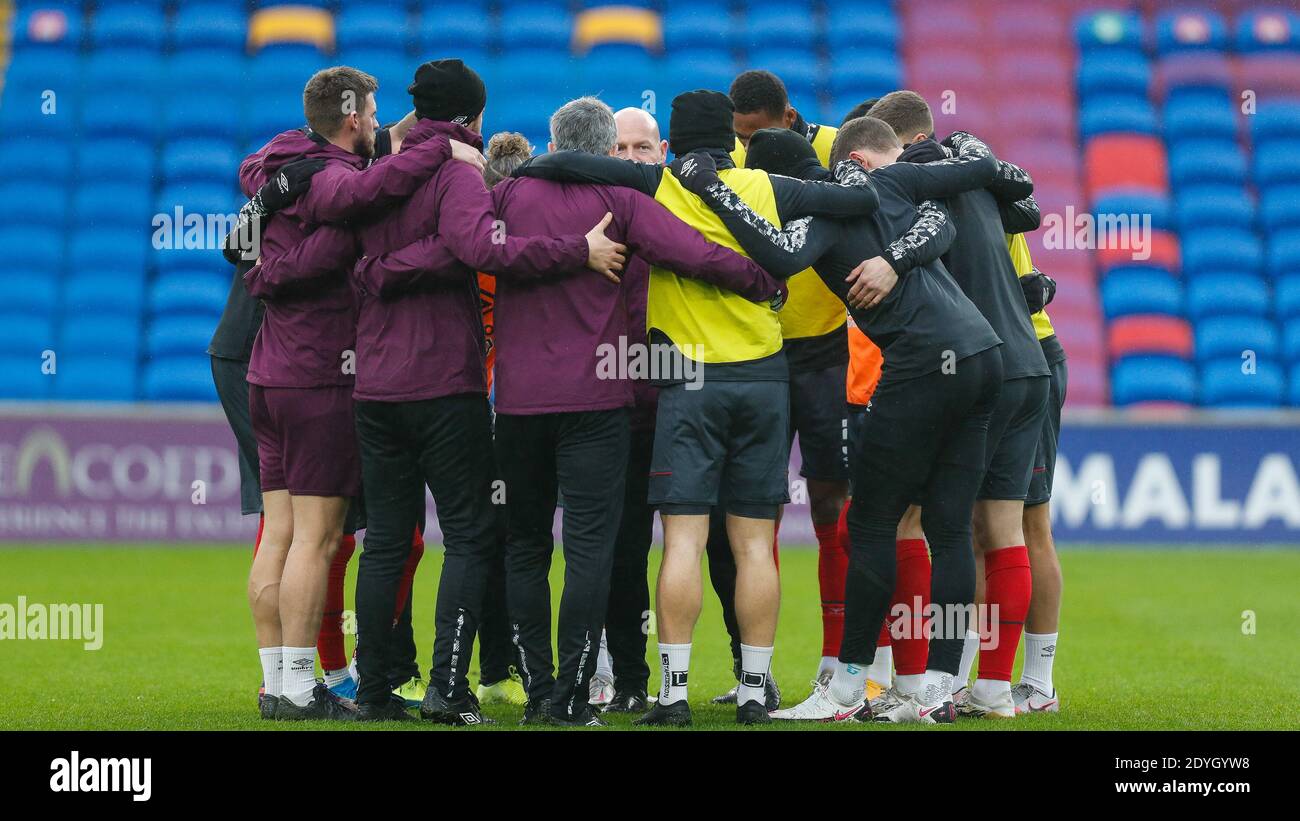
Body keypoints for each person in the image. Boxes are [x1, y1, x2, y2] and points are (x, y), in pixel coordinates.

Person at [512, 89, 881, 725]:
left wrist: (525, 165)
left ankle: (674, 692)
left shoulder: (653, 185)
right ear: (733, 141)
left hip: (684, 380)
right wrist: (845, 166)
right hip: (768, 378)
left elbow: (573, 164)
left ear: (673, 144)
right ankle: (754, 689)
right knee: (752, 544)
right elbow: (856, 201)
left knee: (682, 540)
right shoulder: (767, 187)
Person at [304, 59, 624, 724]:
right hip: (444, 383)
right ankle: (448, 688)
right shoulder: (457, 171)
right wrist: (577, 250)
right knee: (472, 536)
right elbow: (485, 247)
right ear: (473, 118)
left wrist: (384, 270)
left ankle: (372, 690)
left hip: (374, 385)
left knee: (387, 539)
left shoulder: (370, 171)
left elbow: (346, 234)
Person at [670, 118, 1009, 723]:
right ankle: (936, 687)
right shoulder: (890, 183)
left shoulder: (821, 212)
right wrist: (897, 257)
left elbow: (776, 256)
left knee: (871, 523)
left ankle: (847, 687)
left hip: (923, 361)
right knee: (950, 526)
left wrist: (714, 192)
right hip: (983, 354)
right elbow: (953, 211)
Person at [239, 65, 477, 721]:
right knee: (317, 542)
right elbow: (365, 193)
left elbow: (268, 202)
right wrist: (443, 144)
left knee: (279, 536)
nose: (377, 122)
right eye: (372, 112)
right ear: (350, 116)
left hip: (267, 374)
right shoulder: (339, 185)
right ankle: (294, 686)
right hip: (318, 374)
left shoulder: (278, 162)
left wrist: (413, 131)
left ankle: (276, 680)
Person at [867, 91, 1049, 719]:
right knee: (1001, 531)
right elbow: (1024, 206)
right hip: (1030, 364)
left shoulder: (913, 191)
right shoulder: (979, 184)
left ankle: (919, 682)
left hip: (975, 367)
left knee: (918, 523)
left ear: (892, 145)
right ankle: (995, 687)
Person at [588, 106, 672, 714]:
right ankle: (627, 677)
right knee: (621, 550)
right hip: (610, 408)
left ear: (663, 151)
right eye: (618, 148)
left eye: (641, 148)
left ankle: (751, 676)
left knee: (715, 544)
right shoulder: (585, 216)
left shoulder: (680, 210)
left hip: (676, 403)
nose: (631, 158)